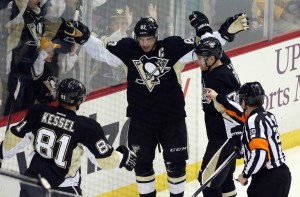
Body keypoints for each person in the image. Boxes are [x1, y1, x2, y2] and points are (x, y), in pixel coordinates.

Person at [70, 11, 249, 196]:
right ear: (135, 37)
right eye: (141, 39)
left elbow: (206, 48)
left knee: (176, 167)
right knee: (141, 166)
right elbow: (101, 50)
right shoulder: (127, 50)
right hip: (141, 122)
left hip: (172, 120)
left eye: (148, 38)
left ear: (156, 36)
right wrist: (85, 38)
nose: (145, 43)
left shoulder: (172, 47)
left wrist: (225, 34)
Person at [0, 78, 137, 197]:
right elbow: (105, 161)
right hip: (63, 189)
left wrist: (2, 153)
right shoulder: (86, 127)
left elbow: (14, 139)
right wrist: (123, 156)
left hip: (33, 183)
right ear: (80, 100)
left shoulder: (38, 112)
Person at [205, 81, 292, 197]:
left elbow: (260, 154)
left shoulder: (252, 121)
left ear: (244, 101)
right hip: (283, 175)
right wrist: (217, 97)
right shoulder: (268, 116)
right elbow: (238, 113)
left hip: (268, 179)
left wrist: (245, 174)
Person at [194, 37, 241, 197]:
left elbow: (210, 106)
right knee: (225, 179)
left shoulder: (216, 79)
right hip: (230, 136)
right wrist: (203, 28)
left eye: (201, 58)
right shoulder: (224, 64)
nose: (198, 62)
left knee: (207, 181)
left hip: (223, 138)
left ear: (212, 59)